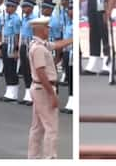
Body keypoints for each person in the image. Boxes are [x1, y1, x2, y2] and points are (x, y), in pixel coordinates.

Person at [26, 16, 73, 159]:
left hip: (38, 88)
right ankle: (50, 158)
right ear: (40, 29)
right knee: (51, 127)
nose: (48, 29)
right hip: (44, 89)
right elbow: (41, 73)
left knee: (37, 127)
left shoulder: (38, 44)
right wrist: (52, 94)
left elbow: (56, 45)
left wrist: (72, 39)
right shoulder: (39, 48)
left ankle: (33, 157)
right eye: (46, 27)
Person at [1, 0, 22, 102]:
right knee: (7, 68)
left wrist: (16, 50)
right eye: (7, 6)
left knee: (12, 68)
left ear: (14, 7)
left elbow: (18, 35)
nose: (7, 8)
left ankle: (13, 92)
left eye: (9, 6)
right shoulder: (7, 18)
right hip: (5, 44)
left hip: (12, 45)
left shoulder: (16, 19)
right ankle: (9, 90)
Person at [19, 0, 36, 104]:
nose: (23, 9)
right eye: (23, 7)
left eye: (25, 7)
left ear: (31, 7)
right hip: (24, 45)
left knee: (31, 70)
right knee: (25, 70)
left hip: (31, 45)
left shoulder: (34, 19)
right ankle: (27, 94)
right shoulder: (24, 19)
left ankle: (34, 96)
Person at [61, 1, 74, 113]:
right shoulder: (68, 24)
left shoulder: (74, 25)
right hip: (66, 52)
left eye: (72, 9)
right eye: (69, 10)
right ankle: (70, 100)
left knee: (72, 76)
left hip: (73, 53)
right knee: (69, 77)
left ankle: (73, 101)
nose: (70, 12)